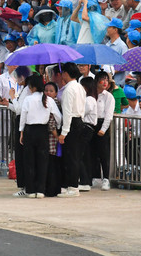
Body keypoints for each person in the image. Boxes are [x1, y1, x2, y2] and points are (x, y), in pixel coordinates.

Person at [20, 73, 61, 198]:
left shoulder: (28, 99)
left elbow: (23, 117)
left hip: (29, 130)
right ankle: (41, 190)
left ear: (31, 87)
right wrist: (58, 128)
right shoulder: (48, 100)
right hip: (43, 132)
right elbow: (58, 116)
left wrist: (21, 132)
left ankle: (31, 190)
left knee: (29, 161)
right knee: (43, 161)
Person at [57, 62, 84, 197]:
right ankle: (72, 185)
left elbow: (67, 112)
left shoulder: (68, 89)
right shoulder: (80, 87)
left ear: (66, 74)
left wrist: (64, 133)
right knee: (75, 155)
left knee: (70, 156)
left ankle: (73, 187)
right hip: (79, 121)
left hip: (71, 123)